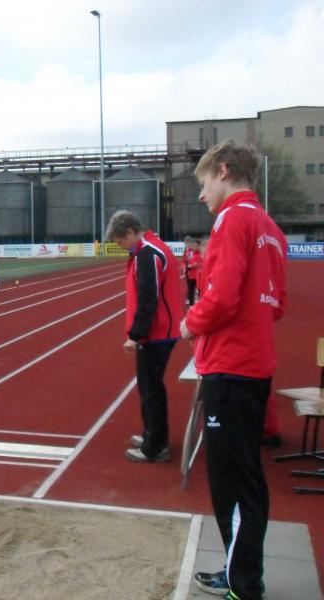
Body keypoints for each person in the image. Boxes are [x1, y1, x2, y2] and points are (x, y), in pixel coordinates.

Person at [181, 140, 287, 600]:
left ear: (223, 171)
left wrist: (191, 323)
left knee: (233, 482)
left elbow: (221, 298)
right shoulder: (271, 228)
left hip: (230, 366)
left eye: (204, 183)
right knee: (243, 476)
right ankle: (239, 571)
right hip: (254, 365)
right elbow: (277, 305)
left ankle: (244, 584)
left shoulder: (232, 219)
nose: (201, 194)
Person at [106, 210, 183, 463]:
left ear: (130, 232)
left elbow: (148, 299)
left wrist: (135, 335)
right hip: (159, 332)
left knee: (151, 390)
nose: (121, 246)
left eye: (120, 241)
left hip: (156, 334)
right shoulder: (148, 249)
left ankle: (155, 446)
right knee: (150, 387)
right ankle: (152, 435)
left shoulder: (147, 254)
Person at [185, 238, 202, 306]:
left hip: (199, 277)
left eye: (197, 246)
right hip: (191, 276)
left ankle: (200, 305)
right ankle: (191, 306)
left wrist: (198, 265)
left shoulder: (202, 254)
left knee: (199, 292)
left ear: (199, 246)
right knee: (191, 291)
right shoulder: (189, 254)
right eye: (194, 246)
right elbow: (186, 264)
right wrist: (190, 266)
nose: (195, 247)